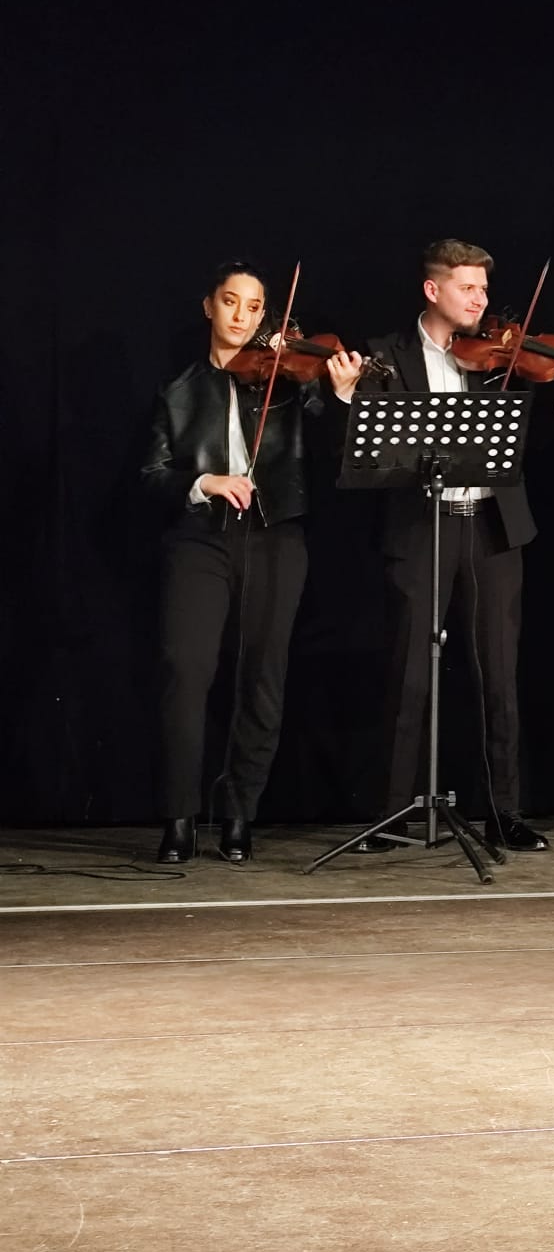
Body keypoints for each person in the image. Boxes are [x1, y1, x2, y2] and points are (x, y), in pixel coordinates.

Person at [328, 238, 554, 853]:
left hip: (492, 527)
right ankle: (391, 812)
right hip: (420, 526)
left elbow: (524, 448)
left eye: (484, 288)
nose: (481, 300)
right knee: (409, 671)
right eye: (467, 288)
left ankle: (503, 813)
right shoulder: (385, 355)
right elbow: (366, 451)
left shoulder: (499, 358)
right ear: (433, 290)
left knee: (498, 674)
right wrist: (347, 399)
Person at [140, 260, 343, 864]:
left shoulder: (291, 380)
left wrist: (340, 391)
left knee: (263, 675)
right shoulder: (178, 390)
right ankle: (179, 817)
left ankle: (238, 815)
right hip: (200, 539)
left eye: (255, 307)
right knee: (185, 670)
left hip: (274, 537)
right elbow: (150, 475)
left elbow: (332, 443)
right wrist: (203, 481)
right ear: (209, 306)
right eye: (231, 301)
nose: (242, 316)